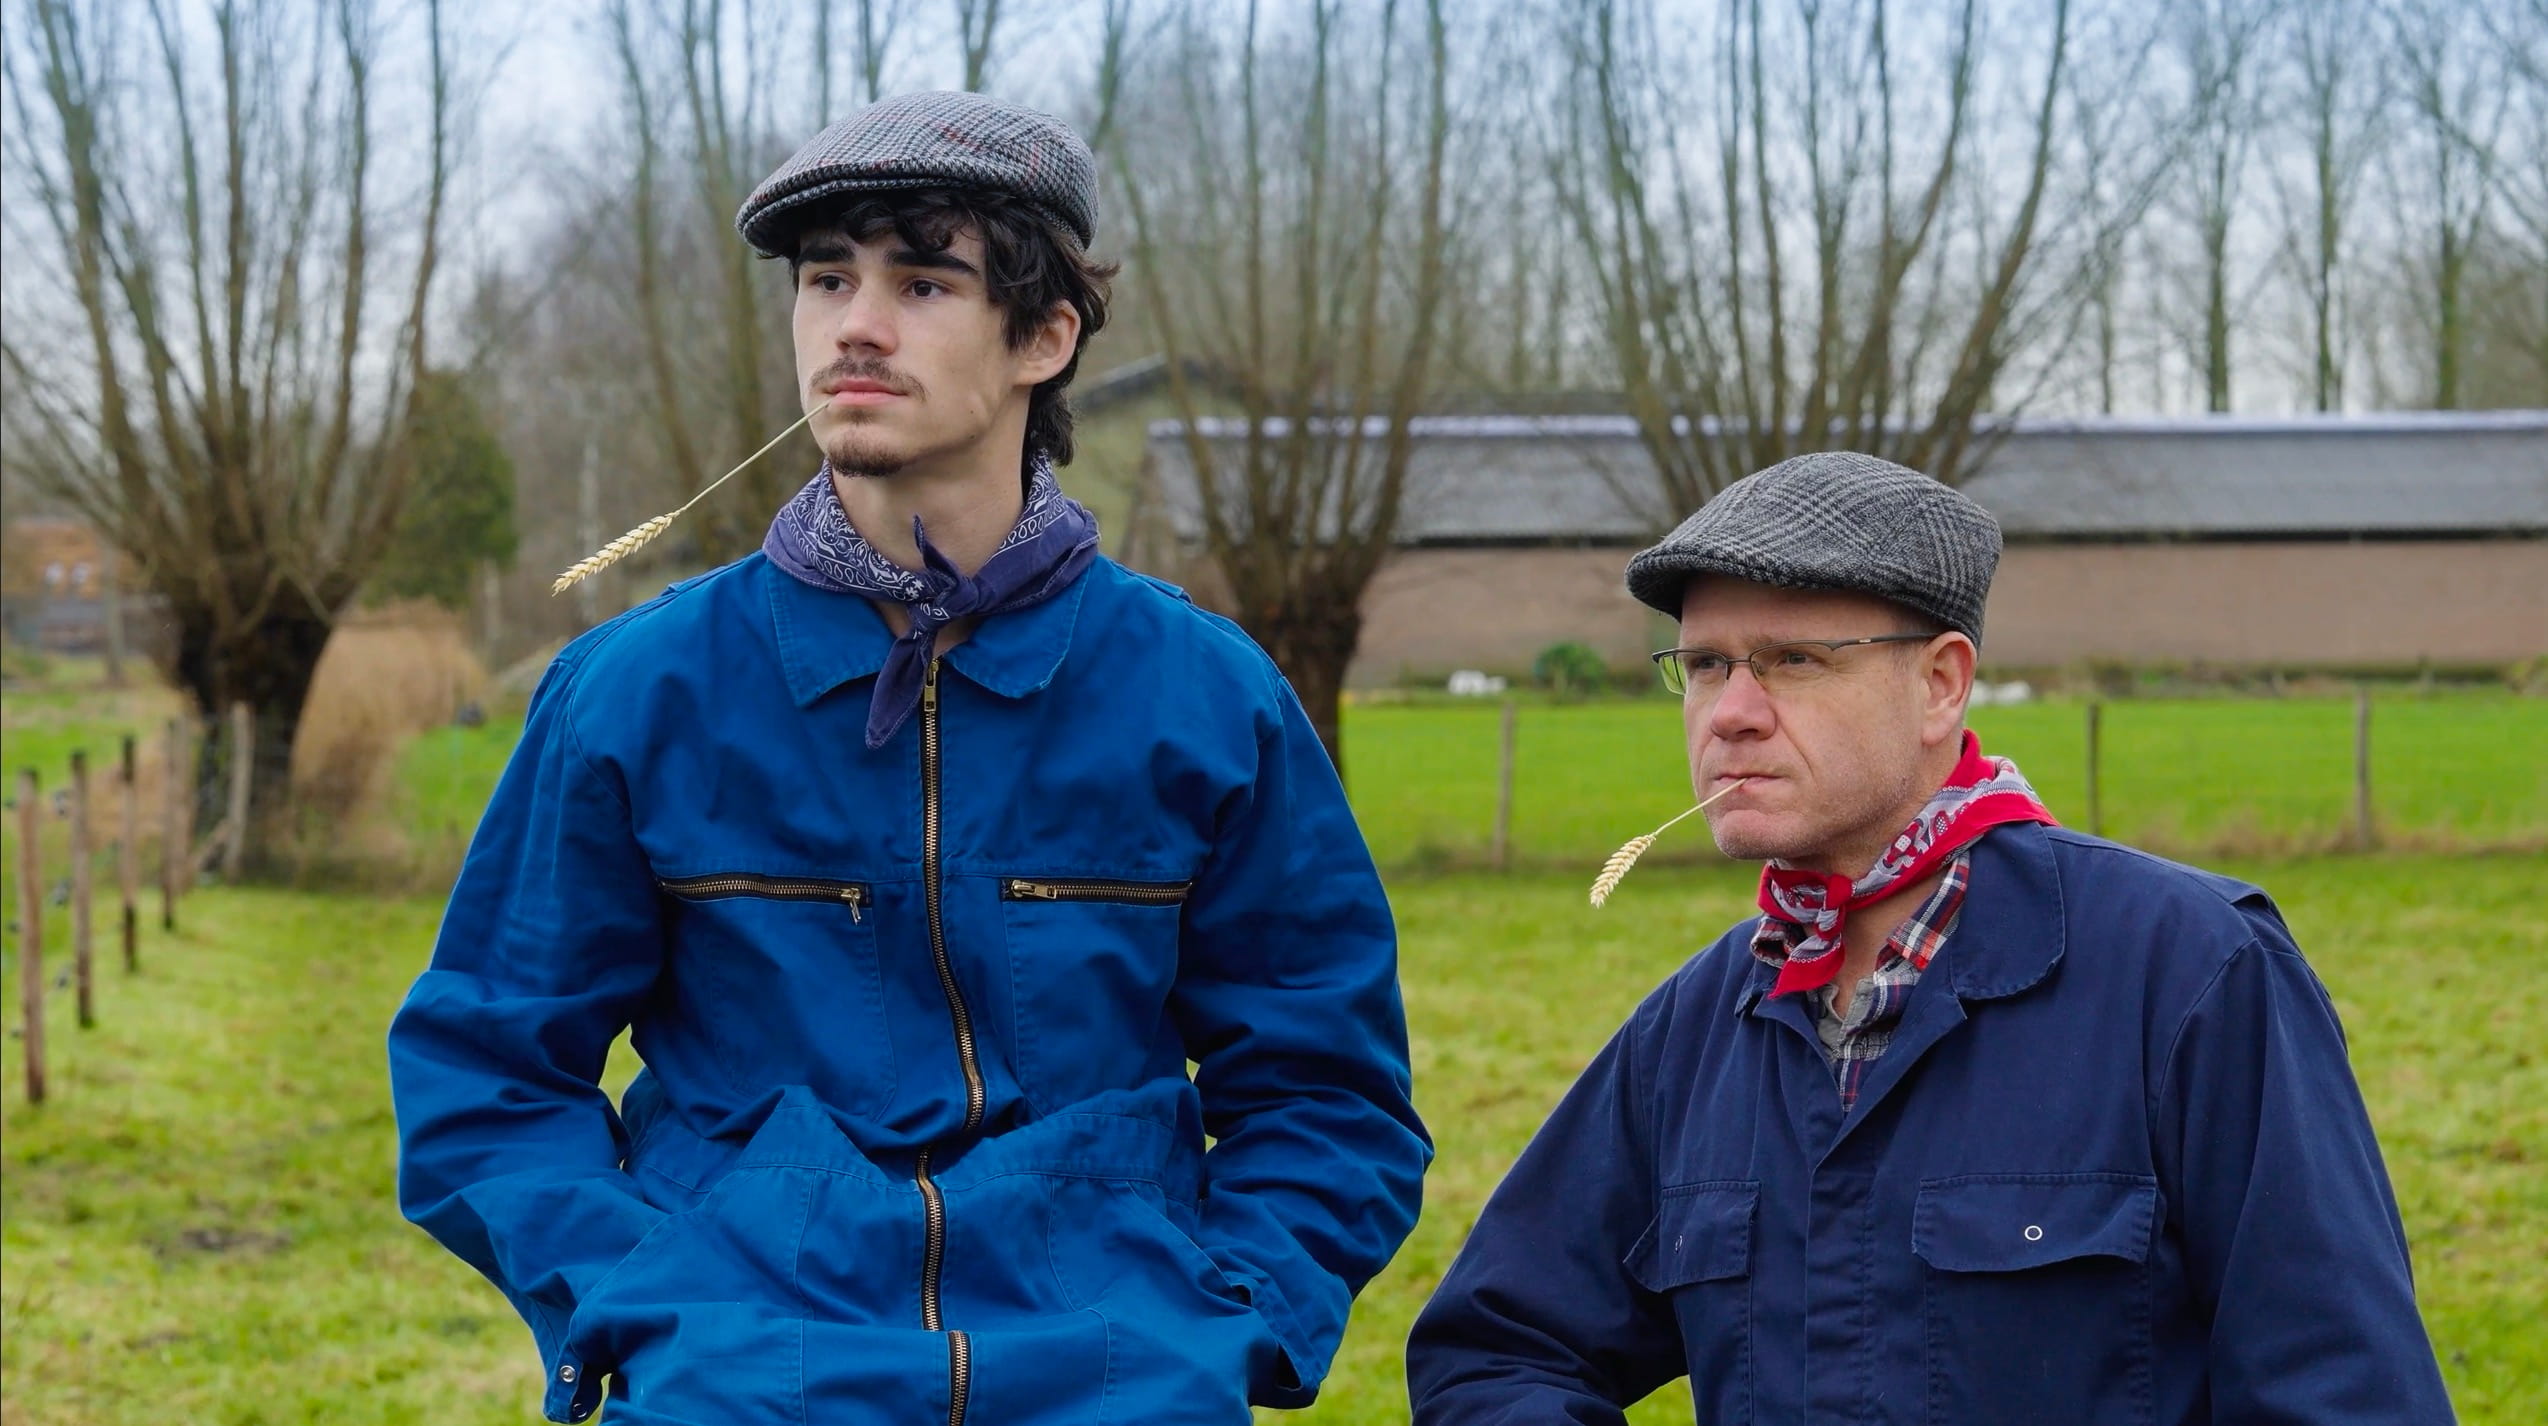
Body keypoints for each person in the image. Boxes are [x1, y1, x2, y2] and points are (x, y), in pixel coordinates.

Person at [389, 91, 1428, 1426]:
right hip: (744, 1386)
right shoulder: (637, 692)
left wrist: (1227, 1318)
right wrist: (643, 1299)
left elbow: (1330, 1090)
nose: (855, 326)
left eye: (922, 283)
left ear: (1044, 335)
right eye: (827, 279)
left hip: (1114, 1381)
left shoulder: (1208, 698)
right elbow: (486, 1067)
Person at [1405, 452, 2453, 1425]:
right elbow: (1495, 1350)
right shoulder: (1693, 1032)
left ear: (1941, 684)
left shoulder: (2192, 974)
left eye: (1792, 659)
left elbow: (2348, 1394)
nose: (1730, 712)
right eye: (1707, 664)